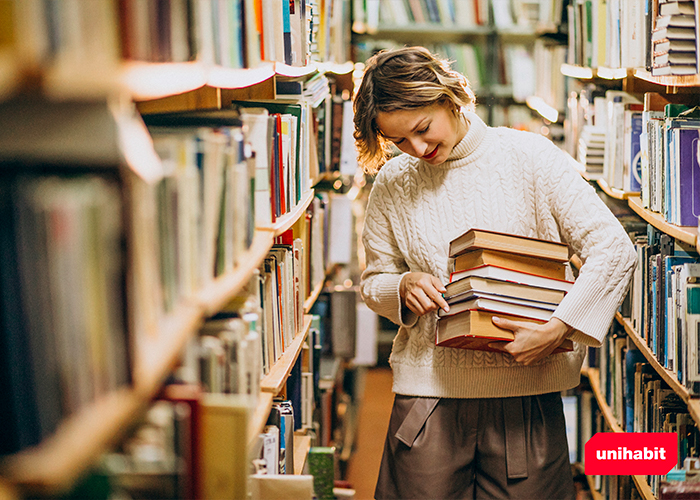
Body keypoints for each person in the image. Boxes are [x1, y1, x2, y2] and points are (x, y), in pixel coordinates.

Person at [353, 46, 636, 500]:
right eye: (400, 141)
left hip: (525, 399)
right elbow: (373, 281)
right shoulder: (393, 182)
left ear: (449, 97)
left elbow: (614, 250)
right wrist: (401, 286)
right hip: (430, 401)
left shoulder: (532, 158)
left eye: (422, 129)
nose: (418, 149)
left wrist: (558, 328)